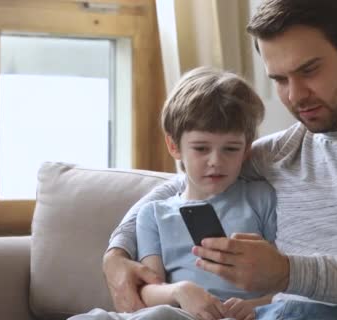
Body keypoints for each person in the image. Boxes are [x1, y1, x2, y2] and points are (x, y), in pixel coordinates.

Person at [103, 1, 337, 319]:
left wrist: (286, 273)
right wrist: (116, 254)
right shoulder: (282, 150)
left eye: (308, 71)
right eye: (280, 80)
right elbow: (182, 186)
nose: (295, 96)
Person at [72, 67, 278, 320]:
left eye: (231, 149)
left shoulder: (262, 198)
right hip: (179, 311)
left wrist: (257, 305)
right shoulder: (153, 214)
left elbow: (284, 279)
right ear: (174, 146)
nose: (216, 161)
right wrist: (182, 291)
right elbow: (149, 291)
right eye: (201, 148)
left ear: (246, 150)